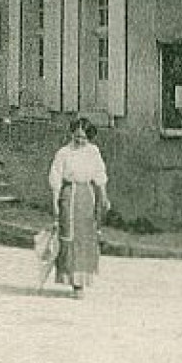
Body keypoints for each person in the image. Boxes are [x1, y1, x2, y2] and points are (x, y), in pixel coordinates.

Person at [47, 117, 110, 298]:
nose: (80, 141)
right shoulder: (64, 153)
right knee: (70, 236)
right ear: (72, 135)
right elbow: (56, 178)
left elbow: (99, 174)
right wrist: (55, 204)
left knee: (86, 237)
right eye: (77, 137)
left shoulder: (93, 152)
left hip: (87, 196)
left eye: (84, 137)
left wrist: (104, 197)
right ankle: (73, 282)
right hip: (70, 195)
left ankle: (82, 280)